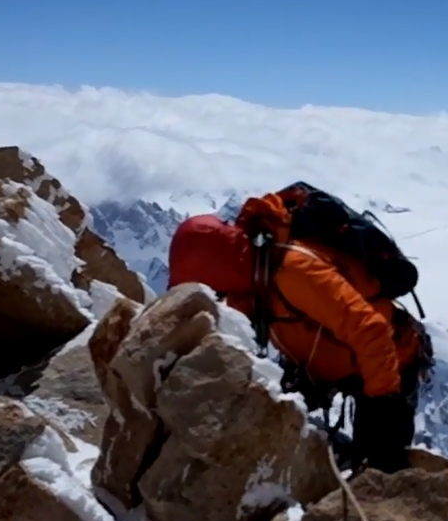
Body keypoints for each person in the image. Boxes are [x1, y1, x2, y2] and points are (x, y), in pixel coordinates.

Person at [166, 189, 431, 474]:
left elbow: (372, 331)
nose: (210, 294)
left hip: (388, 362)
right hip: (324, 361)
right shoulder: (249, 279)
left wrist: (383, 405)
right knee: (276, 427)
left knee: (377, 470)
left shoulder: (293, 270)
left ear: (213, 270)